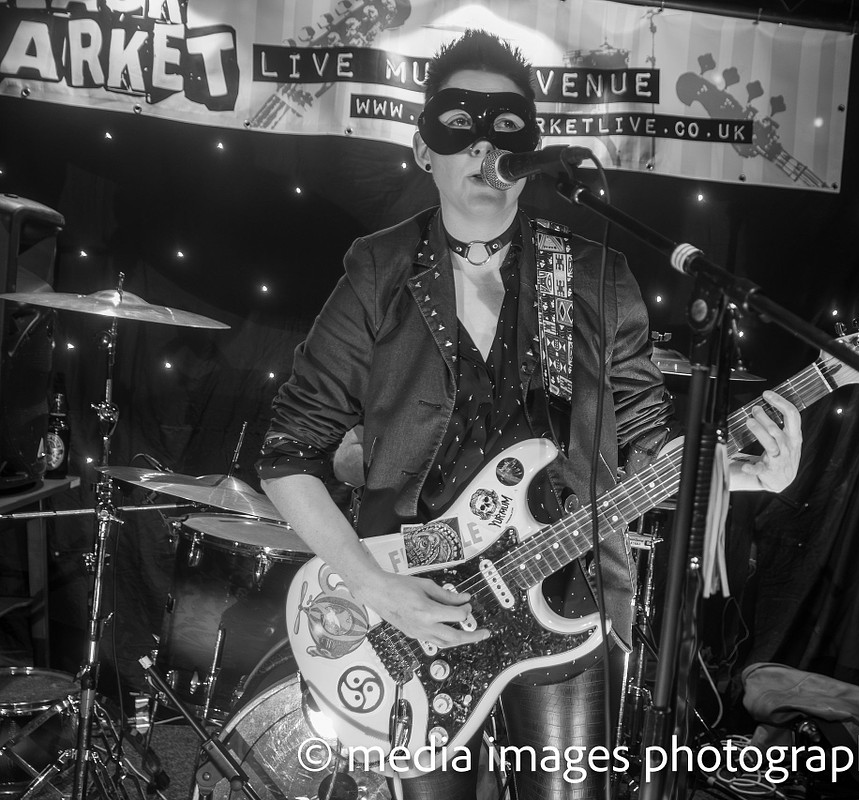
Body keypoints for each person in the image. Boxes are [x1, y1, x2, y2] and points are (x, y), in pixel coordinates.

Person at [256, 29, 803, 800]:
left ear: (532, 150)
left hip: (566, 598)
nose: (484, 148)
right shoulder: (379, 267)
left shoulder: (594, 274)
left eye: (505, 128)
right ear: (423, 149)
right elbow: (287, 453)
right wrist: (376, 589)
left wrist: (748, 477)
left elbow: (647, 452)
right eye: (460, 126)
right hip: (411, 606)